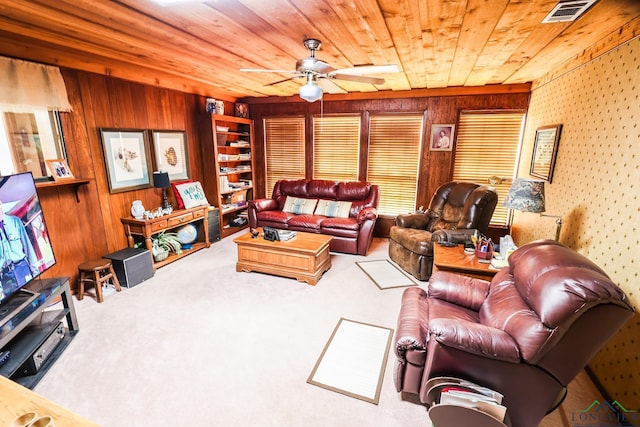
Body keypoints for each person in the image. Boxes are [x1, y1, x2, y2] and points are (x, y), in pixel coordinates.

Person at [0, 200, 39, 298]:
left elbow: (28, 247)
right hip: (6, 277)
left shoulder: (15, 221)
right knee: (15, 306)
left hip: (22, 269)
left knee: (32, 299)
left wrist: (35, 272)